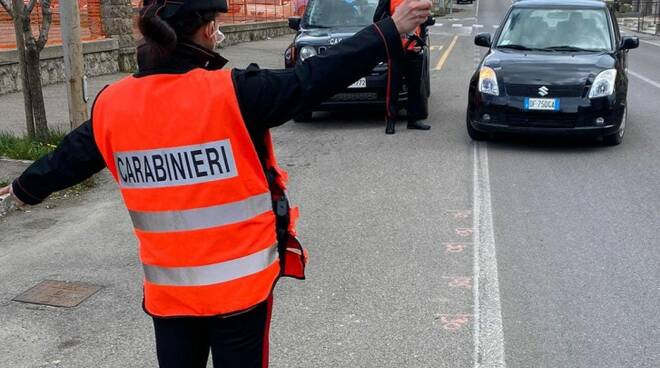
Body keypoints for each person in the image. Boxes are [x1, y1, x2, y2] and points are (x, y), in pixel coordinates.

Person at [0, 0, 431, 367]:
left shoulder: (112, 105)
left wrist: (24, 189)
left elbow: (69, 157)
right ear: (207, 30)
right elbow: (315, 78)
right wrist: (390, 30)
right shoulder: (233, 92)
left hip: (170, 296)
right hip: (240, 296)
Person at [374, 0, 432, 134]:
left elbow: (423, 18)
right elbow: (377, 18)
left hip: (414, 49)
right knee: (393, 87)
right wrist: (394, 25)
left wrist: (421, 40)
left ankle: (413, 120)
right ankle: (391, 121)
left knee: (415, 87)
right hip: (396, 50)